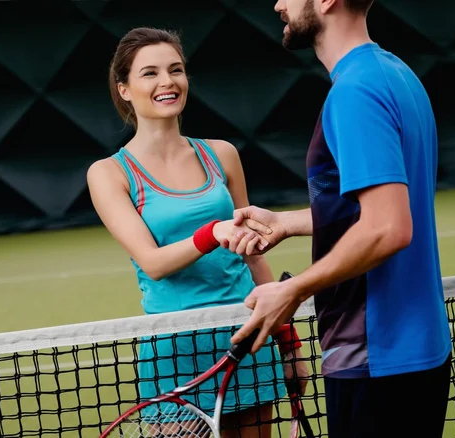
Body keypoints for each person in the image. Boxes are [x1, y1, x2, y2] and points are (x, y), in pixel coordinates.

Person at [225, 1, 453, 437]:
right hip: (419, 351)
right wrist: (288, 223)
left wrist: (294, 289)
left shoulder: (354, 92)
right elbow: (383, 209)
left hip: (376, 359)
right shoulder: (396, 75)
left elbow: (388, 227)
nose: (278, 3)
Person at [87, 27, 307, 437]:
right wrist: (213, 231)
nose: (167, 81)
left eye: (176, 70)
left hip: (248, 343)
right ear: (125, 88)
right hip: (174, 354)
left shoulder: (222, 154)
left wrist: (288, 342)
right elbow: (152, 263)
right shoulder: (108, 173)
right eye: (149, 73)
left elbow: (254, 253)